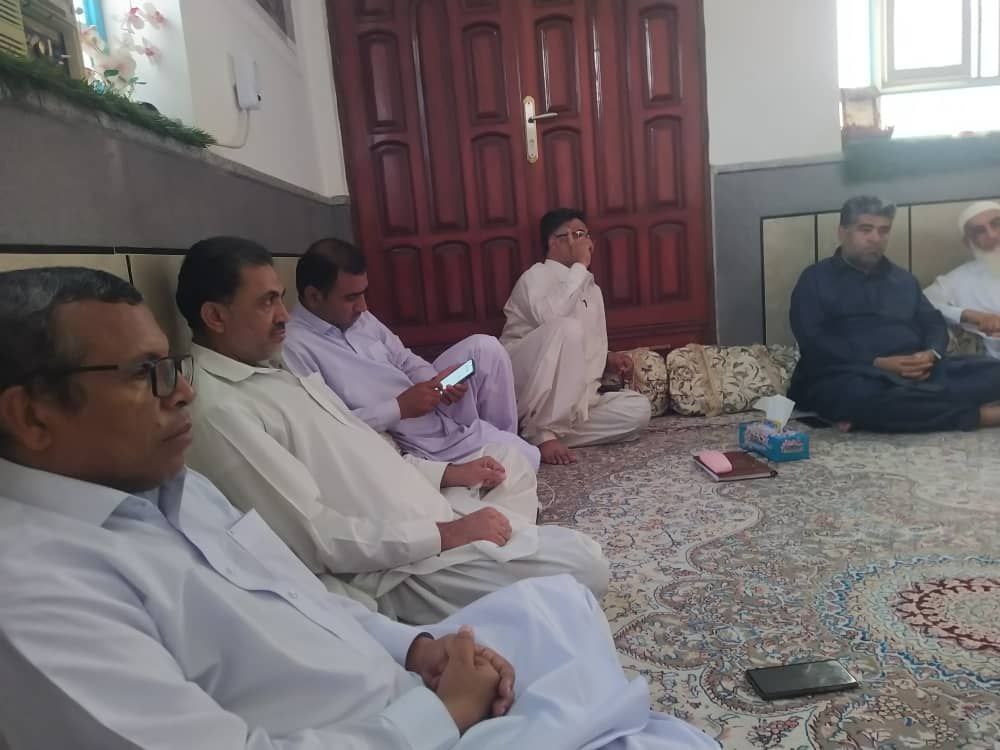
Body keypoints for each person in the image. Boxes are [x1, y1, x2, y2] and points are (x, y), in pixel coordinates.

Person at [0, 266, 719, 749]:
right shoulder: (39, 593)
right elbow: (323, 543)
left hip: (398, 675)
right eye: (146, 374)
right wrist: (440, 713)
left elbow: (303, 596)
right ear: (31, 416)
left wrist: (417, 649)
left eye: (174, 368)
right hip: (391, 722)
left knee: (559, 607)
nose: (179, 391)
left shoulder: (174, 487)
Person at [176, 237, 609, 625]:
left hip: (427, 510)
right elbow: (317, 537)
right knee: (585, 564)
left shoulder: (269, 370)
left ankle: (495, 539)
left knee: (512, 463)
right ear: (215, 316)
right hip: (404, 566)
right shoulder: (222, 410)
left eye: (280, 300)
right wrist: (447, 534)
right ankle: (483, 562)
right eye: (266, 302)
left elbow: (361, 448)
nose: (283, 316)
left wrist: (447, 476)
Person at [282, 238, 540, 470]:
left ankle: (491, 439)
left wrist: (435, 381)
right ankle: (477, 456)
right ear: (314, 297)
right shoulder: (295, 347)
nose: (363, 306)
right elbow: (327, 425)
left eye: (363, 294)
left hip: (428, 409)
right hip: (407, 436)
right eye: (351, 297)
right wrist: (399, 408)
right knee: (526, 459)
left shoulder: (360, 318)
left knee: (486, 347)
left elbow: (404, 358)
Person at [788, 195, 1000, 433]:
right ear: (842, 232)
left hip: (917, 373)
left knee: (993, 372)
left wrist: (931, 353)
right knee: (863, 398)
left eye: (884, 230)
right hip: (850, 375)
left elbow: (932, 323)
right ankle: (980, 416)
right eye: (865, 230)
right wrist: (876, 362)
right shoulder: (815, 279)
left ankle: (919, 408)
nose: (875, 238)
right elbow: (813, 340)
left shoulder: (903, 280)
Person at [501, 209, 651, 465]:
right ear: (554, 241)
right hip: (529, 389)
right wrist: (580, 266)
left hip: (575, 400)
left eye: (586, 235)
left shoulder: (592, 290)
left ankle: (539, 433)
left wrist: (607, 359)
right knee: (567, 328)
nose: (586, 242)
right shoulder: (535, 276)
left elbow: (584, 346)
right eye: (578, 234)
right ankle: (542, 431)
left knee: (638, 411)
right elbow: (552, 319)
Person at [924, 200, 1000, 359]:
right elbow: (922, 303)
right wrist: (970, 315)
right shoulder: (958, 280)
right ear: (968, 242)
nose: (992, 235)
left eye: (996, 224)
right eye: (980, 231)